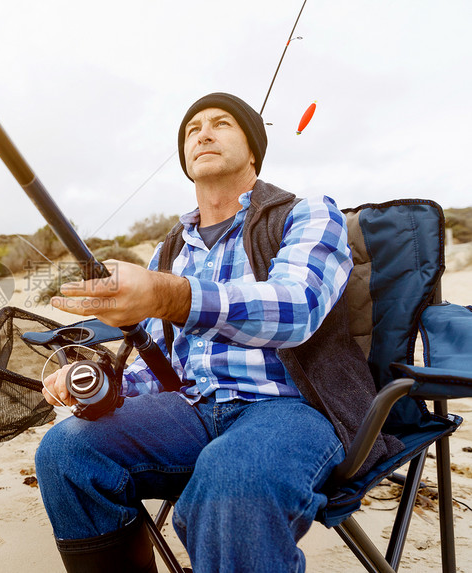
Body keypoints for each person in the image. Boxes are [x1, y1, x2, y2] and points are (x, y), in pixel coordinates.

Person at [34, 92, 402, 572]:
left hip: (293, 408)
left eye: (221, 123)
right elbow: (160, 362)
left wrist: (172, 296)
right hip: (191, 408)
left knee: (233, 476)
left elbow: (299, 308)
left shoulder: (306, 214)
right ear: (186, 160)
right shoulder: (169, 252)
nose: (203, 133)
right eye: (192, 129)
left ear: (253, 151)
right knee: (66, 451)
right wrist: (100, 384)